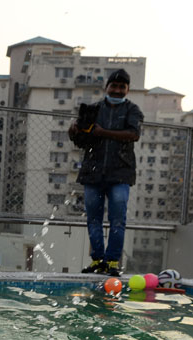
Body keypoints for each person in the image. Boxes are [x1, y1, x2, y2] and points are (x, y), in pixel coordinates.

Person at [68, 69, 143, 277]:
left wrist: (104, 133)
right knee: (94, 219)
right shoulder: (93, 109)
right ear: (106, 87)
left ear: (127, 90)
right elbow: (81, 141)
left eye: (122, 87)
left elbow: (133, 134)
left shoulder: (132, 110)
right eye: (114, 86)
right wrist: (73, 131)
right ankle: (98, 260)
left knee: (118, 219)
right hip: (93, 173)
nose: (117, 90)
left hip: (120, 173)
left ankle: (111, 261)